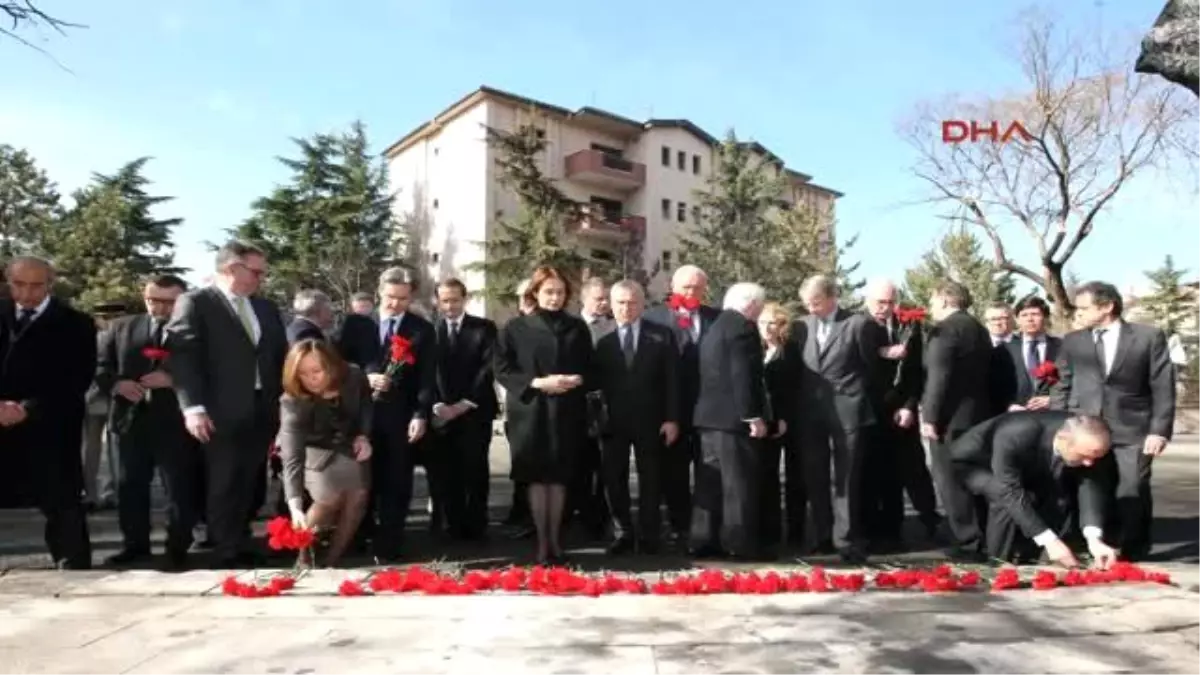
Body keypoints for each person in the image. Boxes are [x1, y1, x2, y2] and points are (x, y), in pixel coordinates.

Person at [167, 240, 289, 567]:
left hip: (262, 409)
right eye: (256, 271)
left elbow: (279, 357)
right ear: (231, 268)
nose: (260, 278)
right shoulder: (195, 303)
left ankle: (239, 538)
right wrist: (192, 408)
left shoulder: (264, 308)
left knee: (250, 480)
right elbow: (183, 359)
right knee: (223, 480)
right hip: (218, 411)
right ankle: (223, 548)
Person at [1051, 281, 1176, 560]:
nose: (1079, 313)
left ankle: (1133, 551)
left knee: (1132, 488)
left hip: (1133, 429)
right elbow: (1062, 385)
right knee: (1093, 487)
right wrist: (1060, 423)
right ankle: (1096, 546)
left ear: (1107, 307)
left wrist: (1159, 430)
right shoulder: (1073, 341)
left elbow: (1162, 386)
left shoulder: (1148, 337)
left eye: (1084, 308)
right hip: (1085, 429)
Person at [96, 275, 200, 569]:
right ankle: (135, 545)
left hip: (176, 420)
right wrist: (117, 385)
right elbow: (102, 367)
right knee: (129, 485)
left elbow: (210, 370)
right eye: (153, 300)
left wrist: (173, 379)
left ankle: (178, 544)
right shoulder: (122, 327)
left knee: (179, 486)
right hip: (131, 419)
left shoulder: (196, 330)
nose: (160, 308)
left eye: (170, 302)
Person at [0, 256, 96, 568]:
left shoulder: (76, 324)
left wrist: (26, 408)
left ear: (50, 285)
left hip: (50, 429)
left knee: (62, 504)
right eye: (19, 285)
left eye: (36, 285)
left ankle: (74, 570)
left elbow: (75, 379)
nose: (27, 294)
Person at [494, 266, 593, 564]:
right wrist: (537, 383)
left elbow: (590, 365)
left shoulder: (576, 327)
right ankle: (542, 541)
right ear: (535, 293)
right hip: (531, 411)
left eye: (560, 292)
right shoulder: (515, 328)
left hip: (566, 410)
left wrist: (575, 380)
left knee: (559, 477)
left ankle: (556, 540)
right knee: (537, 478)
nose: (555, 297)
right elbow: (501, 368)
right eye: (549, 291)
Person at [336, 267, 435, 561]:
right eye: (391, 297)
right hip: (359, 418)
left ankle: (389, 543)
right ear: (380, 292)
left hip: (399, 418)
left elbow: (426, 378)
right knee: (361, 479)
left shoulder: (421, 330)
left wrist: (420, 414)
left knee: (396, 481)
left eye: (403, 299)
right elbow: (338, 366)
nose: (395, 304)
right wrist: (365, 378)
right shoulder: (356, 325)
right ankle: (355, 536)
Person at [951, 411, 1119, 568]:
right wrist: (1050, 541)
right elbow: (1009, 491)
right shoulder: (1016, 434)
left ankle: (1029, 556)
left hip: (1028, 466)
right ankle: (999, 562)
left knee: (1055, 496)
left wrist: (1094, 539)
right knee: (1004, 497)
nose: (1089, 463)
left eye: (1095, 457)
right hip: (976, 463)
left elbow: (1091, 486)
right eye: (1084, 456)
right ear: (1063, 439)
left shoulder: (1090, 440)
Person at [794, 275, 883, 563]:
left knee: (846, 477)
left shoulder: (858, 324)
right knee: (815, 474)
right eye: (806, 303)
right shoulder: (801, 326)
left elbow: (870, 367)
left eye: (816, 302)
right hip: (811, 412)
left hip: (847, 410)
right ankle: (821, 535)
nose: (811, 308)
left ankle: (845, 538)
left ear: (833, 297)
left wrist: (851, 391)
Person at [592, 279, 680, 554]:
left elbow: (672, 381)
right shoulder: (599, 337)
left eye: (632, 303)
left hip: (651, 421)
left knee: (651, 478)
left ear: (642, 305)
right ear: (611, 304)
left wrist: (672, 418)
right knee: (613, 478)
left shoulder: (662, 335)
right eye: (620, 302)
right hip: (612, 422)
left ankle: (649, 534)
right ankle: (623, 532)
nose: (626, 308)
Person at [643, 264, 721, 544]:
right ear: (673, 288)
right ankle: (679, 524)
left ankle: (705, 528)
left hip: (708, 409)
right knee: (673, 471)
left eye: (697, 288)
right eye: (686, 287)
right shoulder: (653, 318)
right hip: (670, 408)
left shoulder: (717, 318)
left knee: (708, 470)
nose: (691, 292)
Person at [690, 282, 769, 558]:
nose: (758, 314)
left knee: (709, 483)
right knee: (738, 483)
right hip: (733, 419)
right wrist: (752, 415)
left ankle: (703, 539)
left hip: (708, 418)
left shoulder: (715, 327)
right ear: (750, 304)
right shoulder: (742, 327)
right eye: (759, 308)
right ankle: (739, 543)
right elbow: (742, 374)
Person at [277, 340, 373, 566]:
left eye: (316, 371)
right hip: (310, 448)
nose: (311, 379)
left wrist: (363, 435)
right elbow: (293, 457)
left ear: (331, 366)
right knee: (329, 494)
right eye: (302, 374)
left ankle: (331, 561)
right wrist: (295, 505)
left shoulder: (354, 375)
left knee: (358, 495)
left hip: (347, 445)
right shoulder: (292, 401)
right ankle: (304, 559)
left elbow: (366, 405)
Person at [921, 280, 995, 561]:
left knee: (951, 480)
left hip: (950, 419)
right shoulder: (978, 328)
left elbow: (939, 377)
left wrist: (930, 416)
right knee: (977, 479)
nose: (930, 308)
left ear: (943, 300)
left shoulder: (945, 330)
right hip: (979, 415)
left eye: (932, 301)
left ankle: (967, 540)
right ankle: (987, 537)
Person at [863, 278, 940, 546]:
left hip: (901, 411)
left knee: (911, 468)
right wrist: (880, 353)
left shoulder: (909, 327)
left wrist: (909, 406)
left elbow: (916, 372)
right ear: (867, 301)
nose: (884, 308)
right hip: (869, 411)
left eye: (890, 302)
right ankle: (878, 529)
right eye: (879, 302)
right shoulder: (857, 326)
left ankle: (930, 521)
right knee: (875, 472)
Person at [429, 278, 498, 541]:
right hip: (440, 414)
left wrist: (463, 404)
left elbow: (487, 369)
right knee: (445, 470)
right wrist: (438, 405)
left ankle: (476, 525)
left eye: (455, 300)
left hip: (475, 411)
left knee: (475, 468)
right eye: (444, 300)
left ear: (464, 299)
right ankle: (449, 523)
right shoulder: (430, 331)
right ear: (437, 301)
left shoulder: (484, 328)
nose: (450, 306)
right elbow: (426, 371)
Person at [756, 301, 803, 554]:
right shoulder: (756, 349)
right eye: (762, 322)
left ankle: (797, 530)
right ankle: (769, 529)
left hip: (789, 419)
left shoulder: (790, 350)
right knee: (767, 475)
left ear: (781, 325)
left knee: (795, 476)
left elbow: (794, 387)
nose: (766, 328)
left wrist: (785, 417)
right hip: (766, 420)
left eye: (772, 322)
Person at [997, 296, 1062, 411]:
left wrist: (1053, 400)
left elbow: (1074, 383)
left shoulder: (1062, 347)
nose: (1030, 319)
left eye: (1035, 314)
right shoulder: (1004, 350)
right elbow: (995, 386)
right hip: (1016, 417)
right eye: (1024, 315)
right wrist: (1009, 405)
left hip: (1054, 415)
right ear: (1017, 319)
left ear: (1046, 317)